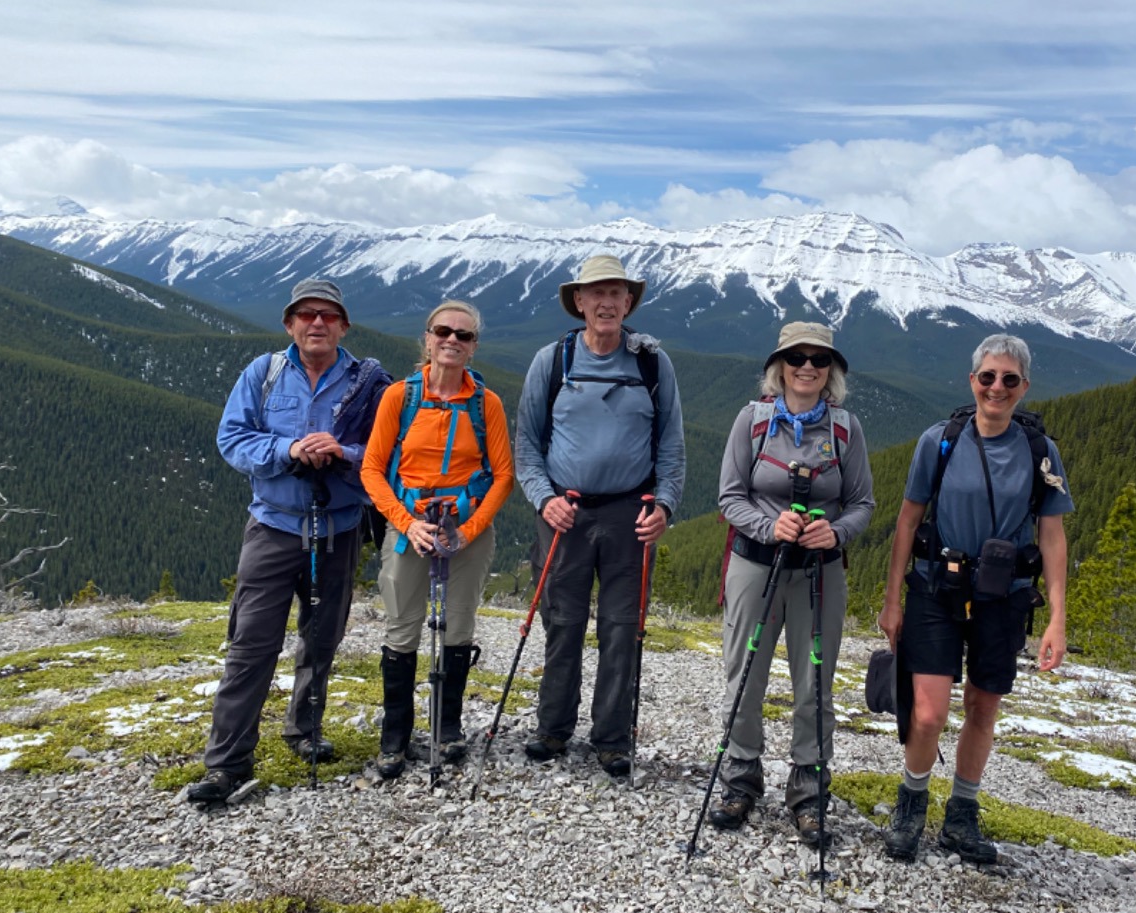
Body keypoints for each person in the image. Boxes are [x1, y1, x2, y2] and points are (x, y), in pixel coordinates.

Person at [189, 278, 391, 803]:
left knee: (322, 641)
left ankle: (304, 730)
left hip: (340, 530)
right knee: (251, 645)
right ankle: (227, 763)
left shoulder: (370, 384)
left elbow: (387, 451)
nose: (317, 323)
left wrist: (343, 453)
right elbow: (232, 439)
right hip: (274, 527)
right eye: (306, 315)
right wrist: (289, 448)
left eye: (328, 315)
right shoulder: (264, 374)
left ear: (344, 326)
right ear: (290, 324)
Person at [877, 333, 1073, 863]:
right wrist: (892, 600)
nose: (997, 387)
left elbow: (1052, 535)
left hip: (1002, 596)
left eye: (1009, 379)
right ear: (972, 380)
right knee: (928, 712)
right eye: (988, 377)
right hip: (936, 589)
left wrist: (1057, 617)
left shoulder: (1040, 451)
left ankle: (961, 815)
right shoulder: (939, 440)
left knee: (983, 706)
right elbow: (907, 520)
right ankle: (911, 804)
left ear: (1024, 387)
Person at [514, 254, 685, 777]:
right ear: (580, 302)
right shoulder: (555, 359)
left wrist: (665, 506)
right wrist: (545, 499)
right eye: (597, 293)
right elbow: (526, 443)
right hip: (563, 512)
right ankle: (553, 728)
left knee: (621, 627)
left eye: (617, 293)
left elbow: (672, 448)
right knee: (561, 623)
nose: (607, 302)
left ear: (629, 302)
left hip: (631, 513)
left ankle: (612, 738)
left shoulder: (653, 363)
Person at [707, 322, 875, 843]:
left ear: (831, 372)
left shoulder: (845, 429)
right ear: (778, 367)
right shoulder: (751, 422)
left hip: (818, 571)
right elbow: (729, 496)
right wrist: (768, 525)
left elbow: (863, 503)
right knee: (745, 675)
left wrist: (837, 532)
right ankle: (741, 778)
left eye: (819, 360)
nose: (807, 367)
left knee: (814, 684)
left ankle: (809, 791)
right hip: (755, 563)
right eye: (796, 357)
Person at [359, 301, 514, 778]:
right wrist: (406, 524)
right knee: (403, 628)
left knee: (459, 627)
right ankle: (395, 736)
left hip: (465, 528)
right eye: (443, 331)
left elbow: (503, 475)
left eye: (463, 336)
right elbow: (372, 469)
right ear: (426, 339)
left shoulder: (486, 404)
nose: (452, 340)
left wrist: (468, 530)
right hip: (411, 526)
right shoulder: (399, 398)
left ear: (473, 347)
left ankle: (447, 730)